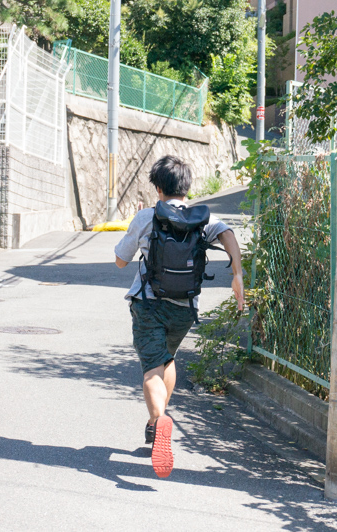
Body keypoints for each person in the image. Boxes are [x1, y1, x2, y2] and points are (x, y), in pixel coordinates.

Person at [114, 155, 245, 479]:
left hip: (148, 304)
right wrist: (237, 275)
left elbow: (120, 260)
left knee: (151, 370)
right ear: (187, 187)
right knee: (167, 358)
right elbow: (228, 233)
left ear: (158, 188)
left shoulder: (147, 216)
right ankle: (155, 422)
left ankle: (159, 420)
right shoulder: (202, 218)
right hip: (185, 307)